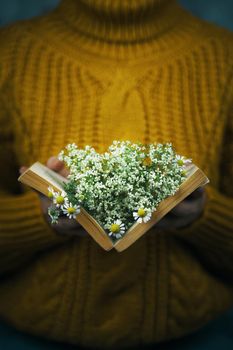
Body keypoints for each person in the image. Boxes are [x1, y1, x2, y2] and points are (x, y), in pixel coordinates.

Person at [0, 0, 233, 348]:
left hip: (202, 336)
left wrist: (202, 215)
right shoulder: (9, 52)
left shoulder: (223, 56)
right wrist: (36, 217)